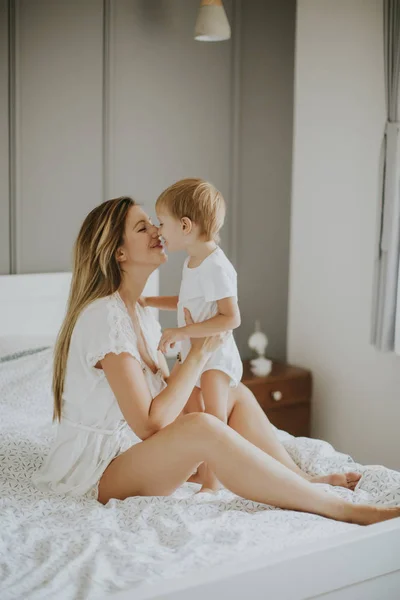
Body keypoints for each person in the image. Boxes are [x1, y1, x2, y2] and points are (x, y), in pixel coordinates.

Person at [32, 196, 400, 526]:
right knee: (203, 426)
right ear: (119, 253)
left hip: (137, 454)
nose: (158, 231)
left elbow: (170, 396)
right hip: (102, 471)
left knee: (231, 390)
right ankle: (337, 508)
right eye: (142, 227)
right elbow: (149, 423)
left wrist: (206, 364)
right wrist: (198, 354)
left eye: (154, 223)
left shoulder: (142, 314)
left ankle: (299, 481)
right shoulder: (102, 317)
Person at [143, 178, 242, 493]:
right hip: (196, 354)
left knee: (213, 419)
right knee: (191, 412)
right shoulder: (193, 262)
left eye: (162, 223)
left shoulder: (216, 266)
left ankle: (213, 483)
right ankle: (201, 471)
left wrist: (181, 331)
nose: (158, 231)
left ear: (185, 225)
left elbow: (231, 317)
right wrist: (147, 302)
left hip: (215, 356)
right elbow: (187, 303)